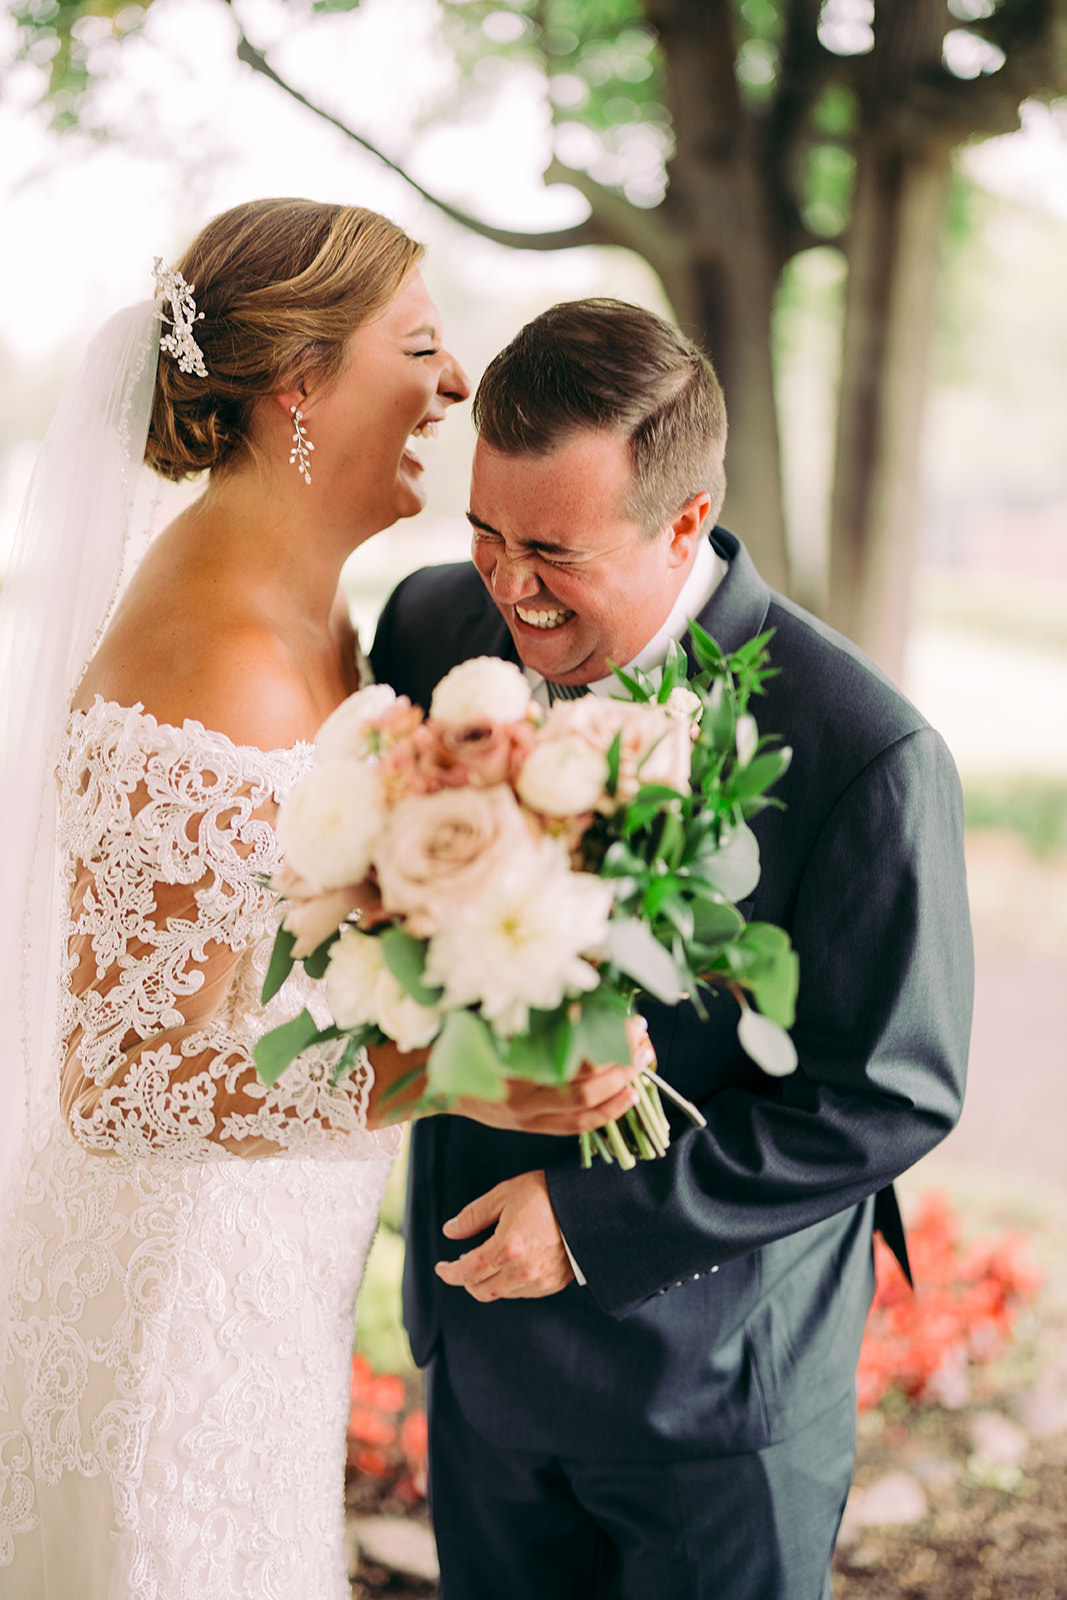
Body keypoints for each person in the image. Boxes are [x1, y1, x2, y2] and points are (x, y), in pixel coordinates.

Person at [0, 205, 638, 1599]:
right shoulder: (216, 655)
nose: (459, 382)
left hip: (266, 1296)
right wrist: (451, 1079)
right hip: (176, 1317)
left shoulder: (328, 616)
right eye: (418, 346)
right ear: (299, 383)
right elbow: (118, 1083)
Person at [370, 297, 975, 1600]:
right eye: (483, 532)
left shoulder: (862, 750)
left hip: (712, 1398)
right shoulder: (427, 634)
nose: (507, 586)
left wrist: (595, 1222)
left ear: (685, 523)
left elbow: (892, 1093)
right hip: (480, 1361)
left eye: (552, 551)